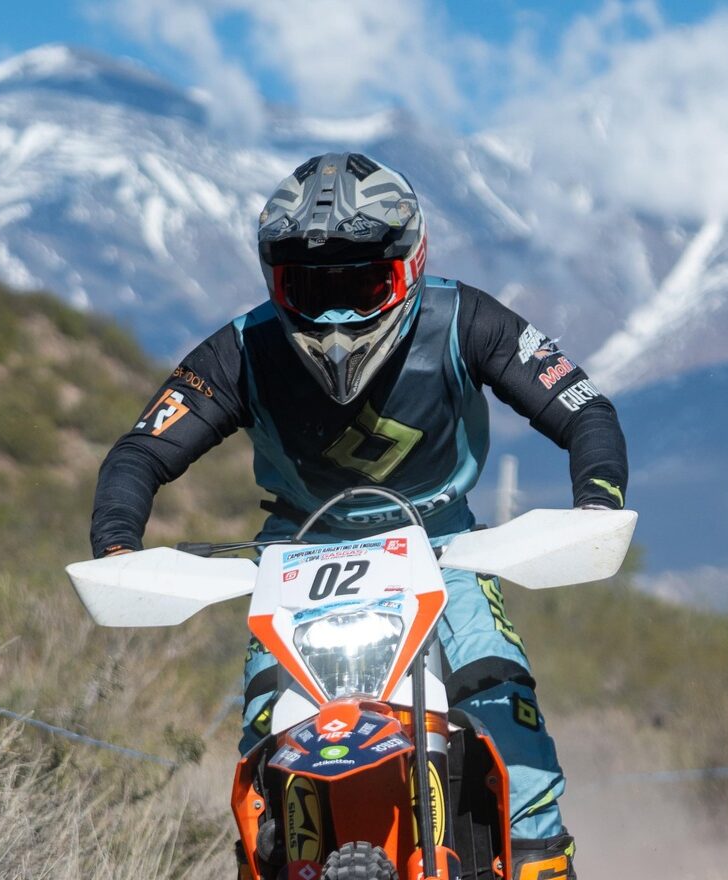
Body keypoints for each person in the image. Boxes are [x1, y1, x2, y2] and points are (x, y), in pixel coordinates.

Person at [90, 152, 628, 880]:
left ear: (411, 264)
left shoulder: (465, 320)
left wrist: (596, 502)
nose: (336, 316)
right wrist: (118, 547)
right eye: (310, 288)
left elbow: (582, 408)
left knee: (516, 747)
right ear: (274, 281)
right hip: (297, 563)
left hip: (445, 551)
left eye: (362, 284)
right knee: (263, 769)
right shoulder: (243, 348)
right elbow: (140, 451)